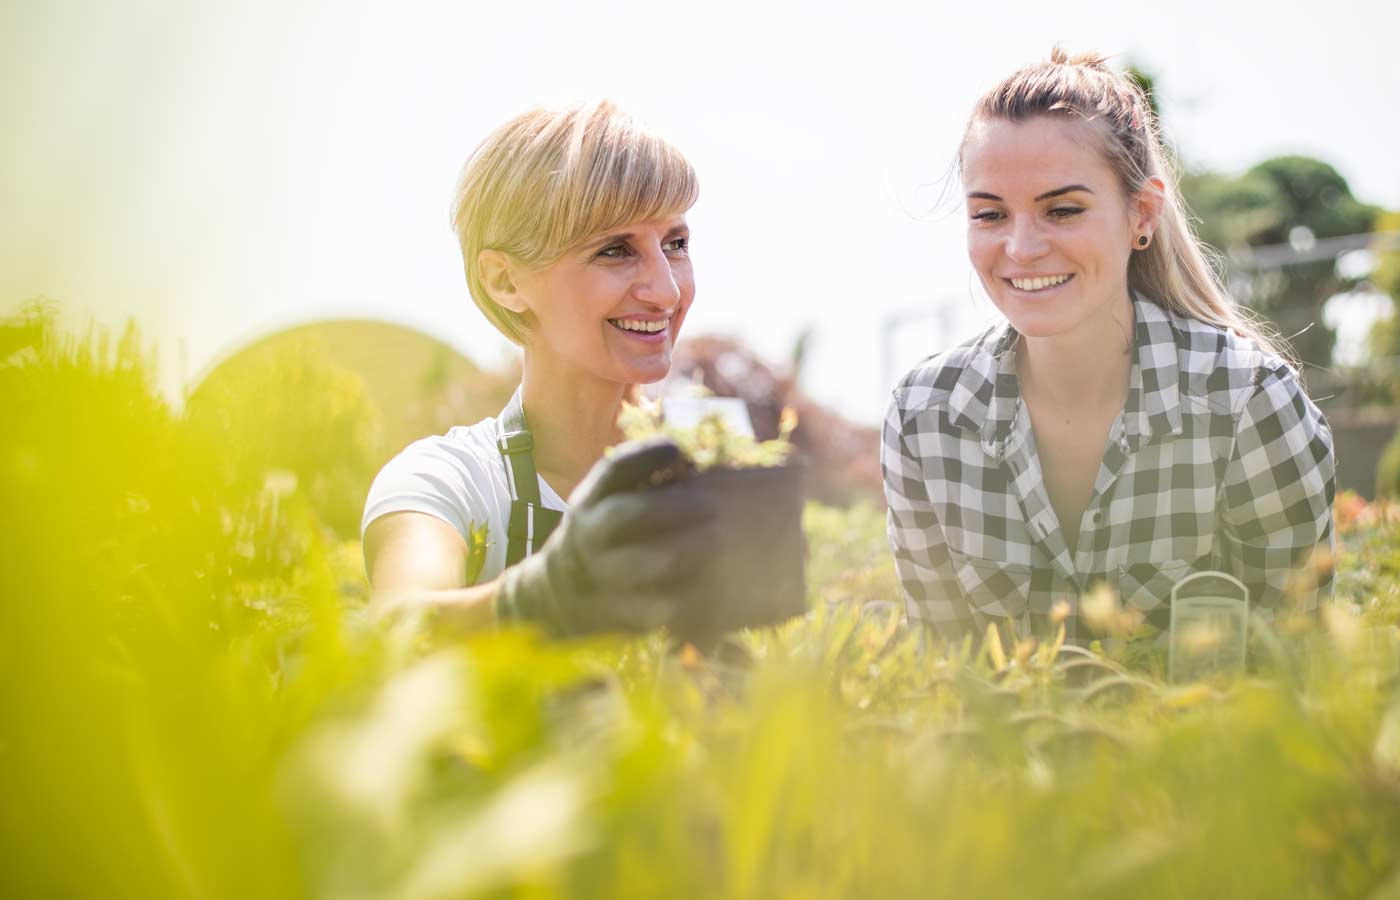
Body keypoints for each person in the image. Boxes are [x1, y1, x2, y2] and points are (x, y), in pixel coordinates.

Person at [881, 49, 1336, 646]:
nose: (1020, 248)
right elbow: (942, 677)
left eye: (1062, 210)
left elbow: (1297, 673)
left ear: (1142, 213)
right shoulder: (923, 418)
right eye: (990, 214)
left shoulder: (1249, 403)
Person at [362, 100, 721, 637]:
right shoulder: (448, 481)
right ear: (505, 282)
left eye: (675, 244)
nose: (666, 290)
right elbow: (396, 629)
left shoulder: (711, 470)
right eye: (615, 250)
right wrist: (555, 588)